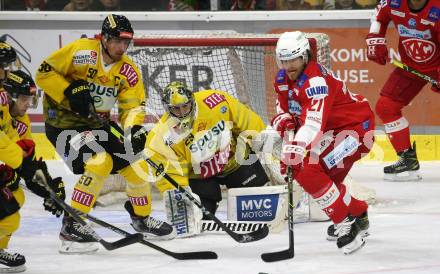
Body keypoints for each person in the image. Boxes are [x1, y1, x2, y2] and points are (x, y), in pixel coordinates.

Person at [35, 14, 174, 254]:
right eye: (117, 41)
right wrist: (68, 89)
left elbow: (131, 107)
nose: (122, 47)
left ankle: (141, 218)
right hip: (64, 126)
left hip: (97, 125)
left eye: (126, 43)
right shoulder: (82, 52)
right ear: (105, 38)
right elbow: (44, 73)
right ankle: (73, 224)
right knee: (100, 161)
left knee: (136, 163)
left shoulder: (128, 71)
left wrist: (134, 129)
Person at [272, 31, 374, 254]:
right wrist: (283, 120)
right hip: (331, 132)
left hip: (355, 131)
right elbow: (282, 108)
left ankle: (346, 225)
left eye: (293, 59)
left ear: (305, 57)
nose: (288, 66)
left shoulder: (316, 82)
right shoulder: (282, 79)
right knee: (322, 182)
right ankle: (358, 213)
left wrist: (295, 148)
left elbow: (312, 124)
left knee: (306, 169)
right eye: (284, 60)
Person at [145, 81, 274, 238]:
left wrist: (271, 149)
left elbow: (249, 123)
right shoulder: (162, 137)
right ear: (167, 109)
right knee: (201, 221)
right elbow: (170, 176)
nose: (182, 112)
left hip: (234, 162)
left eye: (185, 106)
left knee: (261, 212)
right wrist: (182, 202)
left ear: (192, 101)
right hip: (200, 176)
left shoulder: (215, 101)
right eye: (176, 109)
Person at [0, 67, 66, 273]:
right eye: (23, 99)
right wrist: (22, 166)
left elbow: (26, 154)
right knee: (9, 212)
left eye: (31, 99)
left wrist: (47, 186)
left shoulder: (18, 120)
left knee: (15, 201)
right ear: (9, 97)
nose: (29, 105)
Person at [366, 0, 440, 181]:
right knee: (386, 107)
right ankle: (407, 159)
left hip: (437, 66)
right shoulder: (393, 3)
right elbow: (379, 16)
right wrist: (375, 39)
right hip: (410, 67)